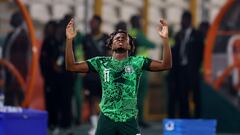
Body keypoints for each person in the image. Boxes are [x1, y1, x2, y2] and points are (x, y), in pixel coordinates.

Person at [65, 18, 172, 135]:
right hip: (106, 118)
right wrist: (69, 40)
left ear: (130, 46)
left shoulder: (138, 62)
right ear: (111, 45)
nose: (120, 39)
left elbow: (166, 65)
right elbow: (71, 66)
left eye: (124, 38)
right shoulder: (101, 62)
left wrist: (165, 40)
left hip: (128, 119)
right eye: (117, 38)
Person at [167, 10, 204, 118]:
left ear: (189, 20)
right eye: (181, 20)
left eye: (184, 20)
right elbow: (174, 52)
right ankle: (185, 118)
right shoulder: (178, 35)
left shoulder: (197, 35)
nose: (182, 22)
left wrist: (197, 68)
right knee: (183, 96)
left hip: (193, 70)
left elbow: (200, 53)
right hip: (181, 70)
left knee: (196, 96)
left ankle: (198, 119)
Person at [81, 15, 109, 135]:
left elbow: (110, 55)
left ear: (99, 23)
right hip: (90, 75)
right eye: (90, 23)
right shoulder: (86, 38)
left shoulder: (106, 38)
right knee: (92, 99)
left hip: (103, 74)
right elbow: (82, 54)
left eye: (94, 23)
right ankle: (94, 126)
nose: (92, 25)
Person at [129, 15, 156, 127]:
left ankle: (134, 119)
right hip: (139, 69)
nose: (142, 23)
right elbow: (150, 44)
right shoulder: (137, 34)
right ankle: (139, 119)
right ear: (136, 22)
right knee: (140, 96)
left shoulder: (130, 32)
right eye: (140, 21)